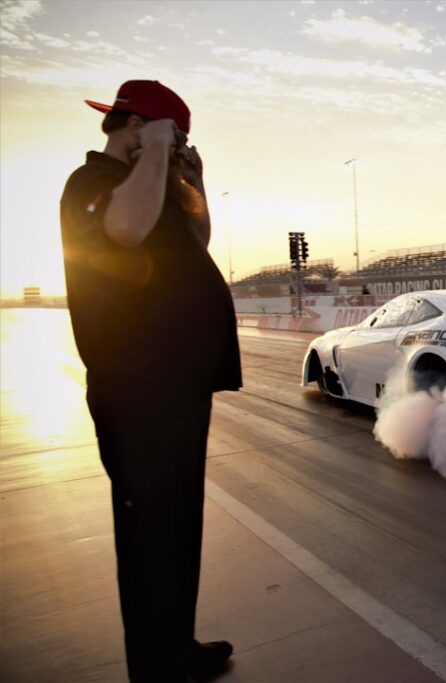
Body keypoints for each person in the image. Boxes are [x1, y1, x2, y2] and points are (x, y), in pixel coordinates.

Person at [60, 80, 240, 682]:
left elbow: (197, 238)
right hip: (140, 391)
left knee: (178, 526)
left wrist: (194, 176)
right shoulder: (93, 184)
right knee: (148, 534)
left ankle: (175, 648)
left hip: (178, 387)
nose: (181, 146)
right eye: (175, 133)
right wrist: (160, 151)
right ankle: (156, 668)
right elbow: (127, 232)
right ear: (136, 125)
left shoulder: (156, 186)